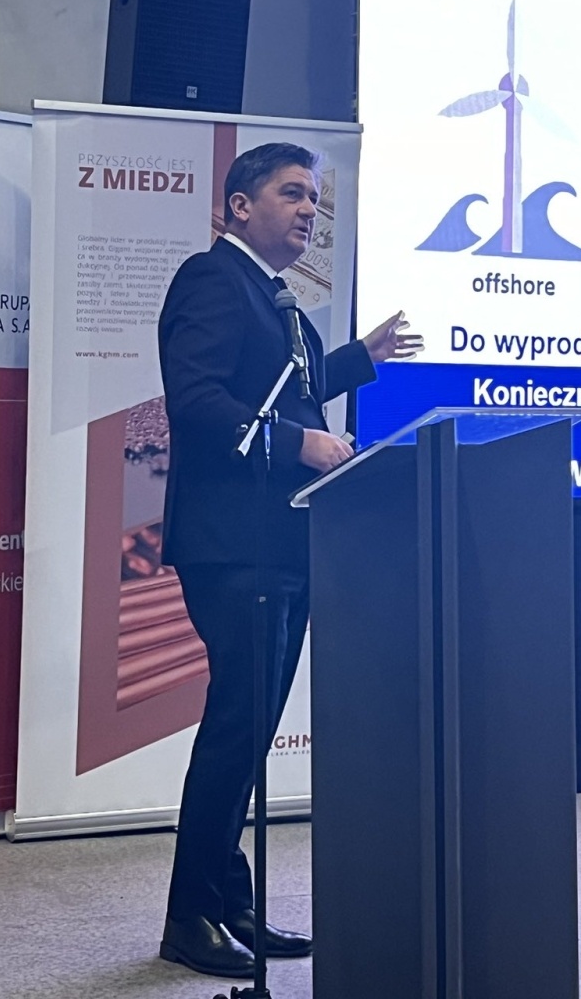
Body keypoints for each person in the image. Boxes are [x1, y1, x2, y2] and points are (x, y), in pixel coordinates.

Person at [156, 142, 421, 979]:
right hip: (235, 547)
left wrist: (360, 359)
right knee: (236, 730)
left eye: (313, 197)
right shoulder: (211, 280)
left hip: (281, 543)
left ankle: (229, 901)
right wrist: (300, 444)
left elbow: (284, 383)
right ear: (241, 206)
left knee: (250, 732)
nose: (310, 209)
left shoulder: (278, 300)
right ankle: (188, 917)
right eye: (292, 193)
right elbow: (198, 400)